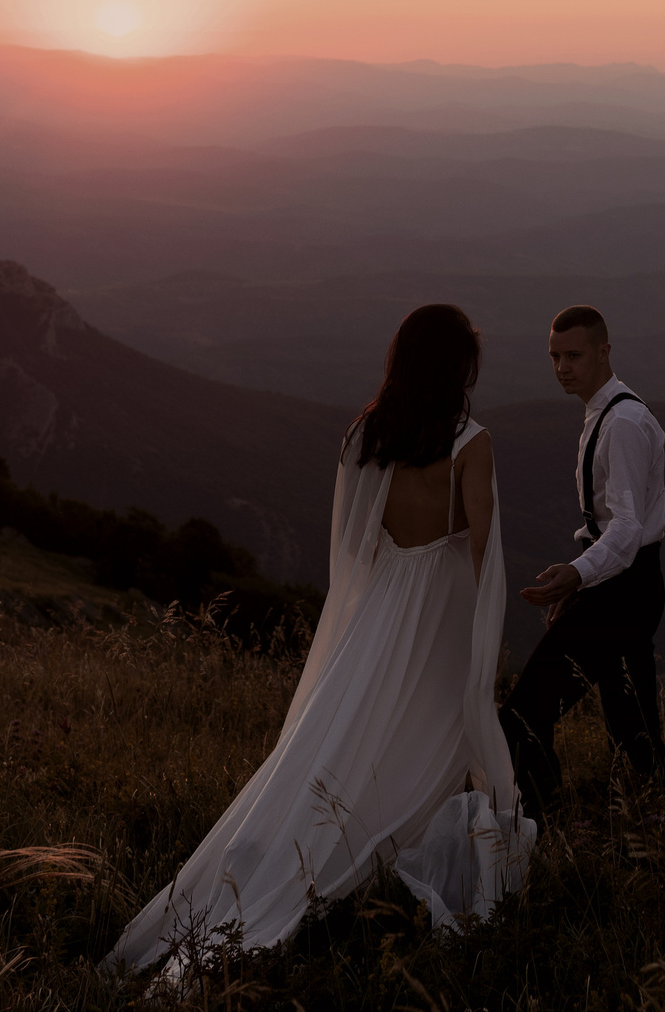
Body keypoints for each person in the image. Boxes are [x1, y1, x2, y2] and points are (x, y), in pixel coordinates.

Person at [104, 304, 533, 976]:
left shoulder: (367, 433)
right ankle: (395, 844)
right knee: (436, 730)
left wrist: (362, 619)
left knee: (347, 727)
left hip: (382, 603)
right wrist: (489, 637)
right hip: (445, 610)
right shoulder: (469, 442)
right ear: (459, 365)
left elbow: (352, 548)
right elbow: (485, 549)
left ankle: (299, 853)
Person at [497, 304, 665, 819]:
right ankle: (654, 825)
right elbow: (613, 529)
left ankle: (542, 828)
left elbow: (627, 526)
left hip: (626, 592)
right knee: (632, 721)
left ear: (603, 352)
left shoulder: (624, 422)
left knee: (523, 718)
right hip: (622, 587)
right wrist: (581, 581)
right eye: (554, 356)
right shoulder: (605, 413)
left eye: (573, 355)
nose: (562, 367)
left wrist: (578, 573)